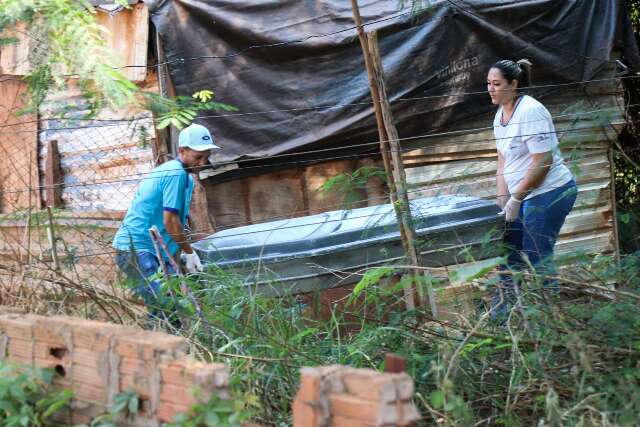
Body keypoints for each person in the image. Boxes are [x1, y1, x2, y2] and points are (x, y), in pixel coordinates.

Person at [487, 59, 577, 318]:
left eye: (497, 84)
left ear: (513, 84)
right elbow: (503, 160)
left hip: (550, 192)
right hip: (522, 196)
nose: (491, 89)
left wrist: (516, 200)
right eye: (488, 84)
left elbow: (542, 162)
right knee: (509, 252)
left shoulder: (531, 112)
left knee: (537, 254)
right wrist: (502, 202)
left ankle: (551, 318)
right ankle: (500, 316)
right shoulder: (500, 115)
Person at [112, 123, 219, 307]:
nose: (202, 163)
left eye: (207, 157)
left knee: (172, 310)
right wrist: (189, 251)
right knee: (165, 308)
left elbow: (173, 224)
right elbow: (170, 221)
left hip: (154, 249)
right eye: (198, 156)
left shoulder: (186, 178)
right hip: (138, 249)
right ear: (182, 150)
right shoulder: (175, 173)